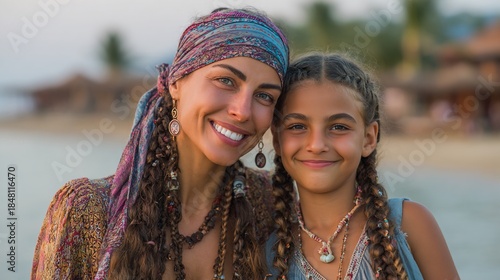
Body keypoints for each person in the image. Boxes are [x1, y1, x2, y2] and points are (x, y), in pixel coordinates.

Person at [32, 7, 289, 280]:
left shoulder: (268, 201)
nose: (243, 111)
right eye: (226, 81)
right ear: (176, 83)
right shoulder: (88, 210)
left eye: (265, 96)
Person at [265, 53, 459, 279]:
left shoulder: (408, 224)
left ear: (368, 138)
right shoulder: (269, 252)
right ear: (277, 139)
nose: (317, 145)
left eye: (338, 127)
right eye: (297, 126)